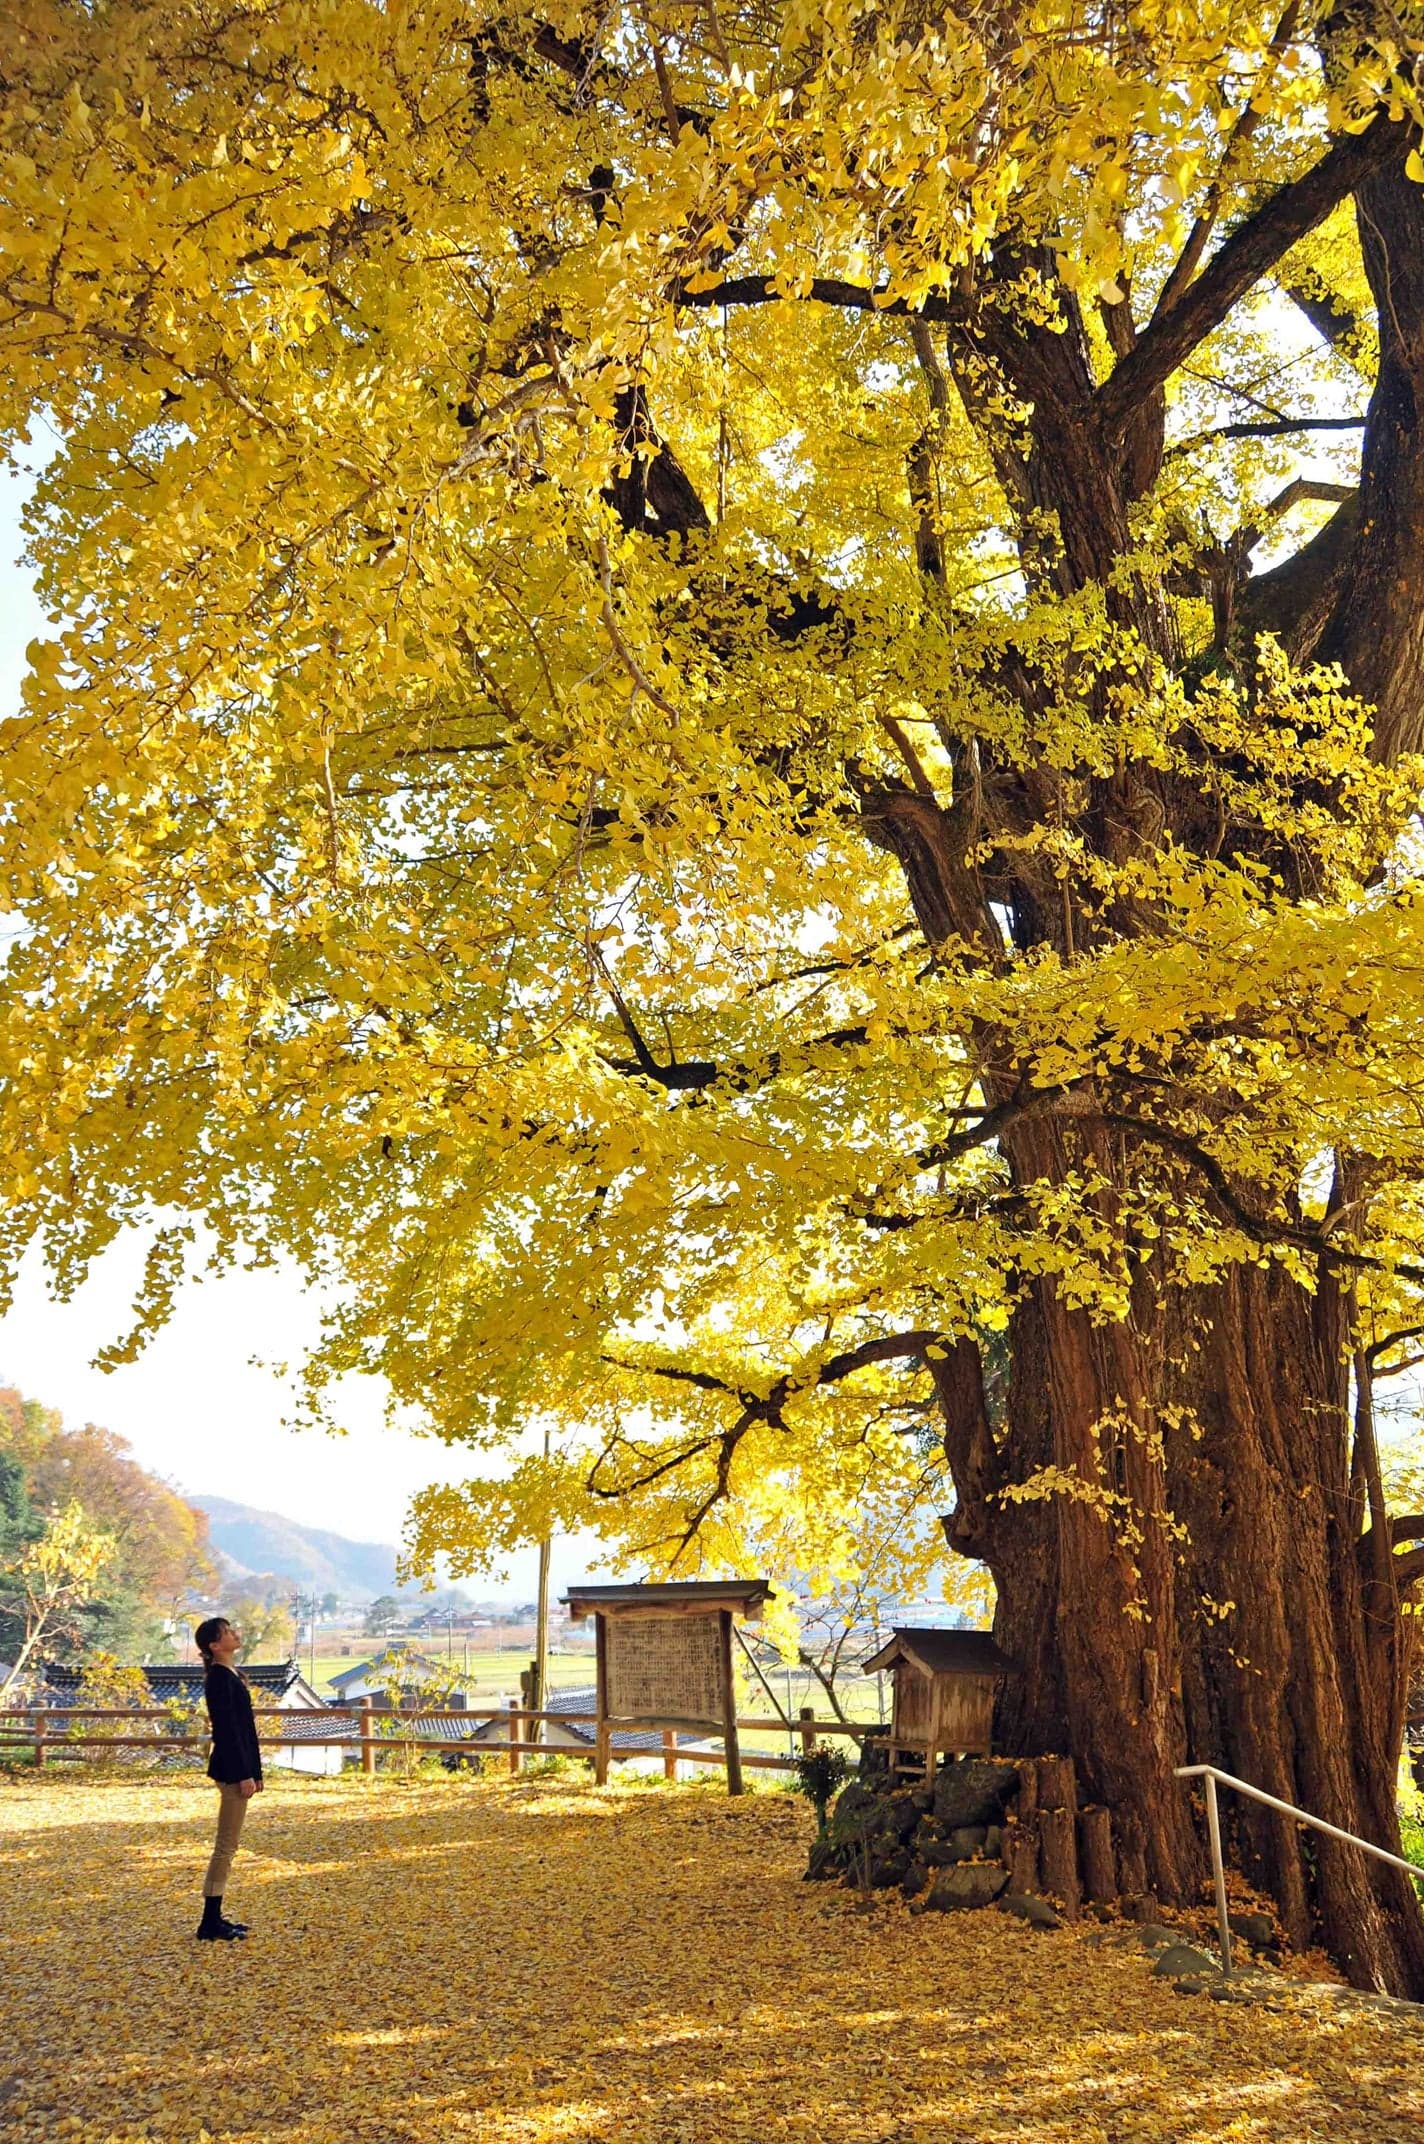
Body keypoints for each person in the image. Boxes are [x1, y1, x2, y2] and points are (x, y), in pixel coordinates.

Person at [193, 1616, 262, 1941]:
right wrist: (243, 1774)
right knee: (225, 1846)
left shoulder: (233, 1675)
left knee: (228, 1845)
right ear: (214, 1646)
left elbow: (247, 1730)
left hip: (240, 1768)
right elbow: (229, 1732)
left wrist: (256, 1772)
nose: (235, 1634)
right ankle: (209, 1922)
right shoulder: (219, 1680)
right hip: (231, 1770)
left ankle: (215, 1916)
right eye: (228, 1632)